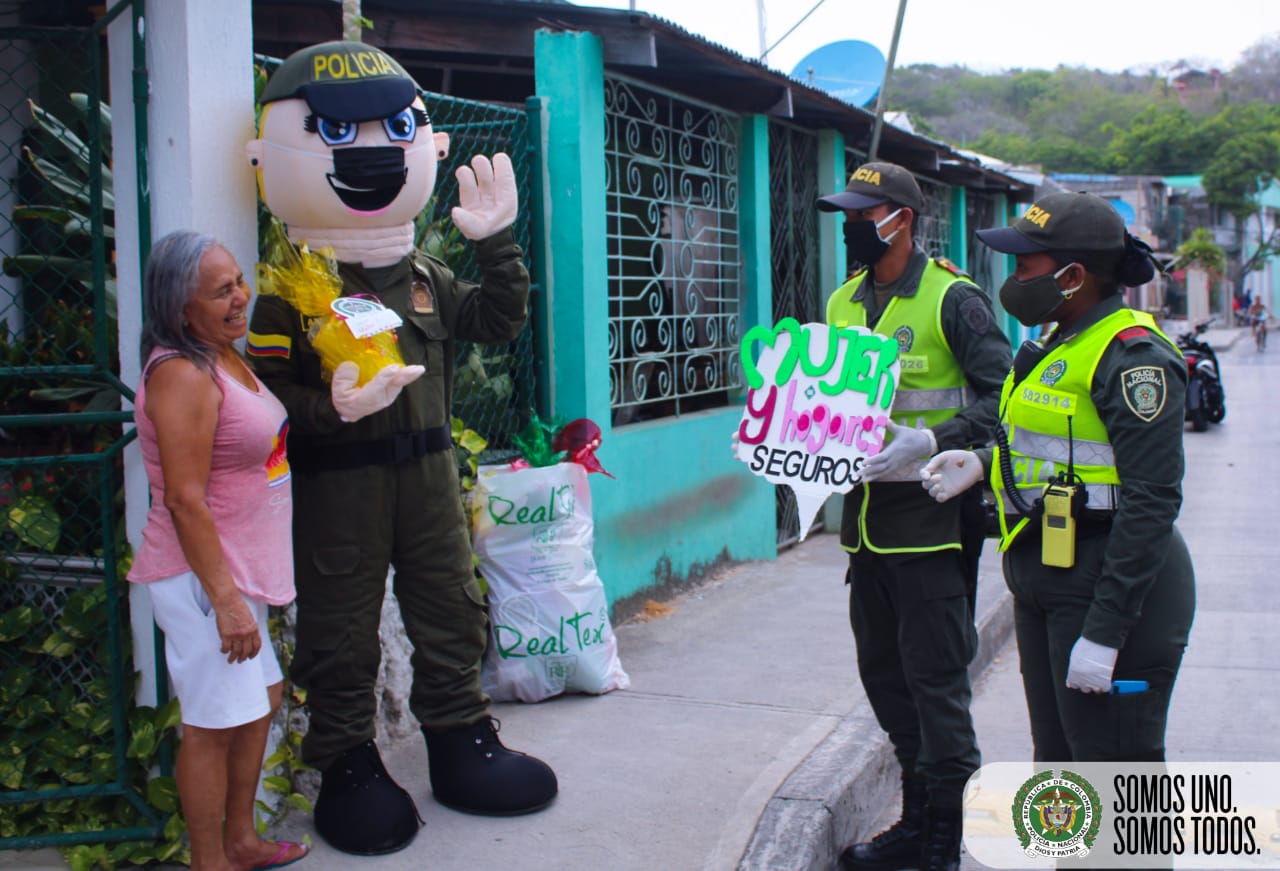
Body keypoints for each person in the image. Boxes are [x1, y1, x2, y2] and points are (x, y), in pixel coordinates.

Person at [244, 41, 556, 855]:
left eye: (394, 129)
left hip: (426, 477)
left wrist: (497, 244)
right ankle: (347, 760)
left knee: (450, 604)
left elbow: (495, 321)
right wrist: (329, 406)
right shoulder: (286, 296)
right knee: (342, 625)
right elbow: (262, 399)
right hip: (337, 489)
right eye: (339, 135)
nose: (375, 151)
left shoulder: (421, 275)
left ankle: (461, 737)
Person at [922, 191, 1196, 765]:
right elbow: (1059, 460)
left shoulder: (1132, 358)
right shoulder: (1058, 342)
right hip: (1046, 575)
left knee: (1115, 778)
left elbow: (1151, 500)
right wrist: (981, 464)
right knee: (1060, 768)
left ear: (1073, 276)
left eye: (1026, 265)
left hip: (1109, 584)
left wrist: (1106, 630)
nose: (1014, 276)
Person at [816, 161, 1013, 871]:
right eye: (846, 214)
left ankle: (941, 844)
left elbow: (1005, 400)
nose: (850, 227)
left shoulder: (952, 300)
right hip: (866, 530)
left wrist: (934, 438)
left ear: (900, 218)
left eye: (862, 214)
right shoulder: (842, 302)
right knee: (888, 682)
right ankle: (914, 823)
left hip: (931, 531)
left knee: (937, 690)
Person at [128, 231, 306, 871]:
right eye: (221, 290)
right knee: (211, 725)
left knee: (261, 701)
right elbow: (183, 499)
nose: (240, 297)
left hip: (236, 574)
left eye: (238, 281)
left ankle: (241, 840)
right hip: (205, 580)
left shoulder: (222, 356)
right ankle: (212, 860)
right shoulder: (179, 373)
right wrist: (226, 602)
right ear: (181, 309)